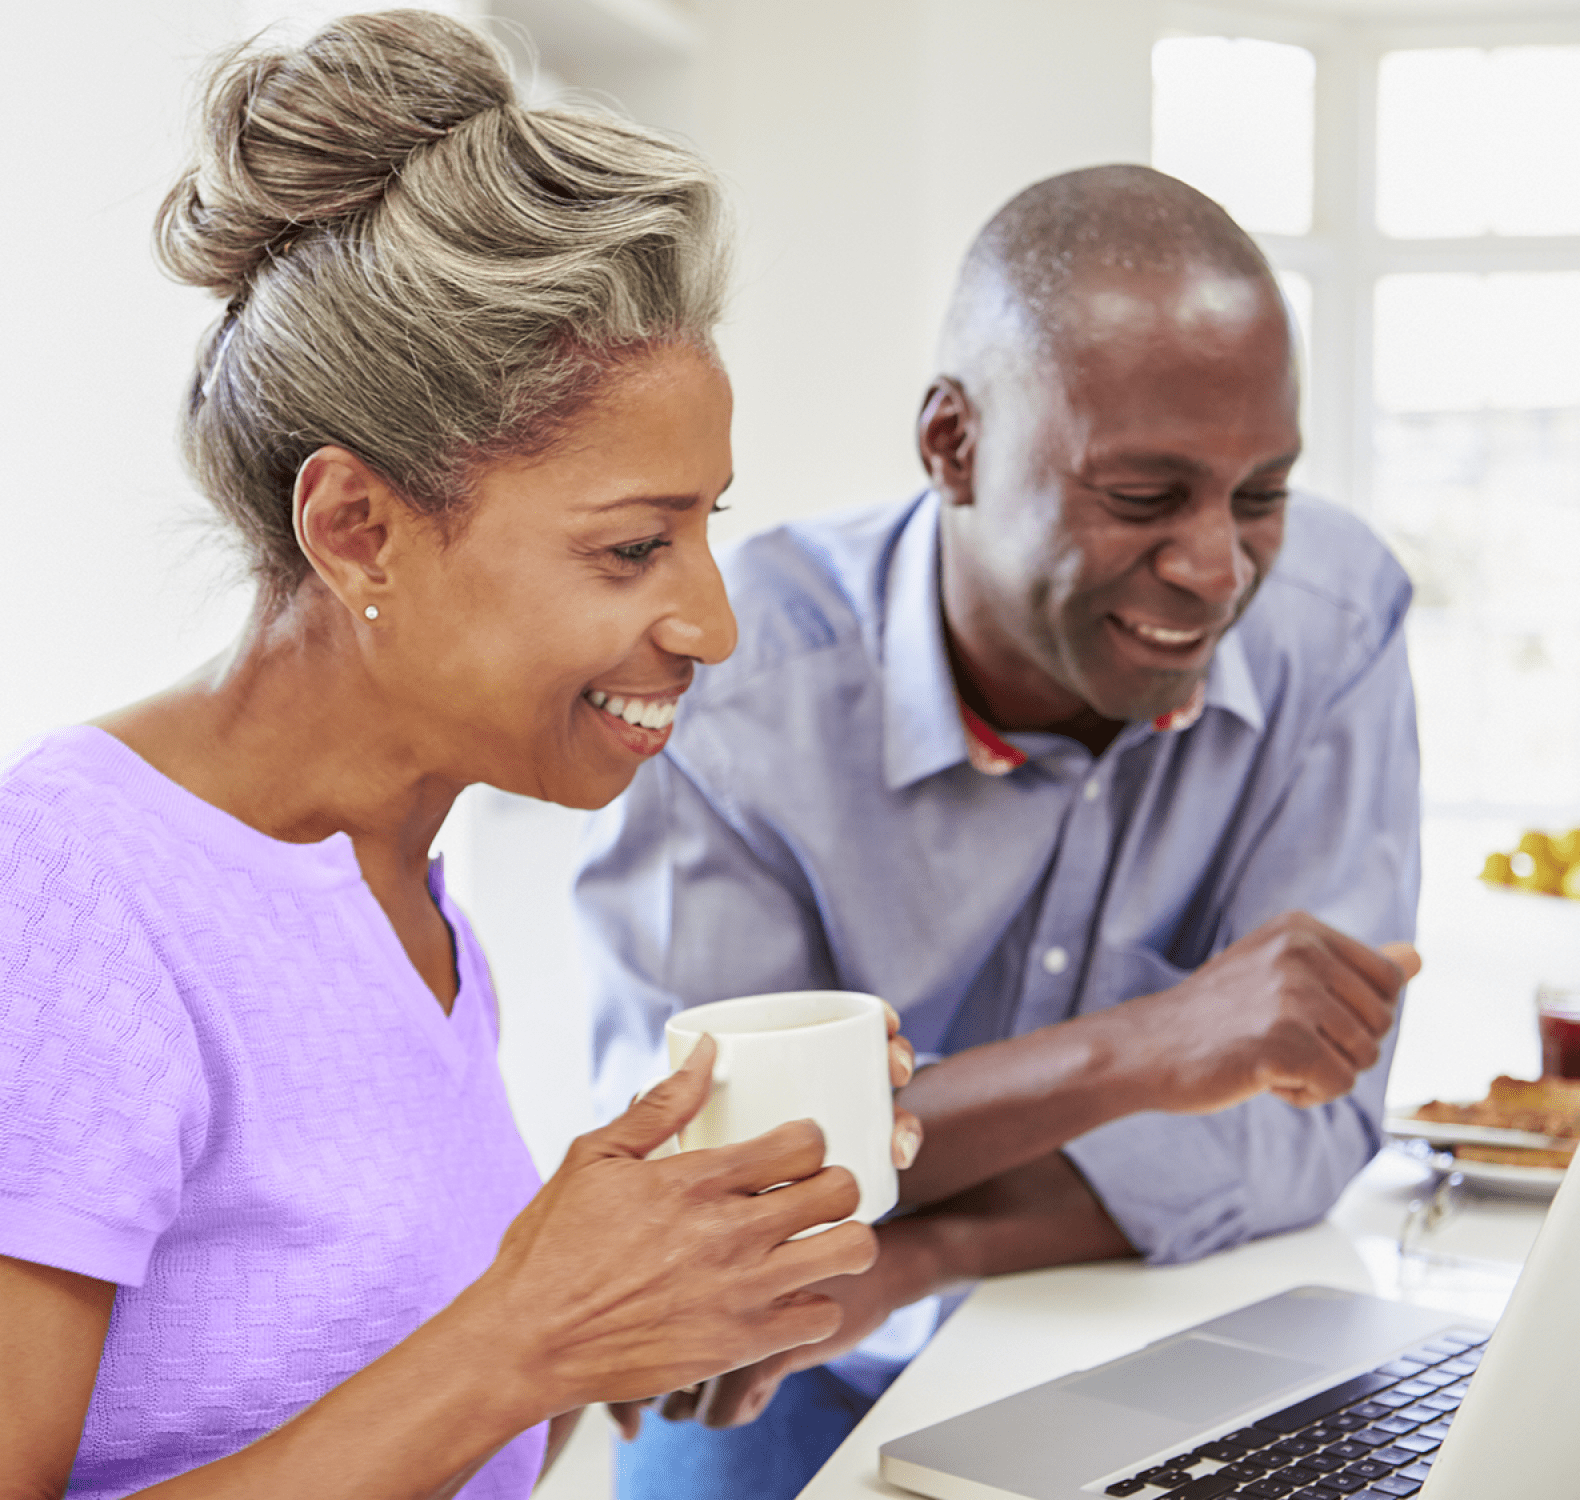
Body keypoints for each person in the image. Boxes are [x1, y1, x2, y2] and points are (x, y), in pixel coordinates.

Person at [0, 12, 919, 1498]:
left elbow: (407, 1433)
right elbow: (474, 1368)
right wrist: (523, 1336)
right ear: (358, 527)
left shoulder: (406, 903)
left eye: (705, 529)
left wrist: (642, 1316)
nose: (713, 622)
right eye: (632, 546)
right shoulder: (66, 895)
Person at [577, 164, 1424, 1500]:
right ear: (953, 445)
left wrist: (917, 1250)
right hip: (791, 1367)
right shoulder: (734, 688)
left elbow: (1303, 1128)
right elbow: (718, 1201)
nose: (1217, 567)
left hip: (1152, 1354)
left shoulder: (1337, 619)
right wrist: (1149, 1051)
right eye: (1144, 496)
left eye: (1261, 494)